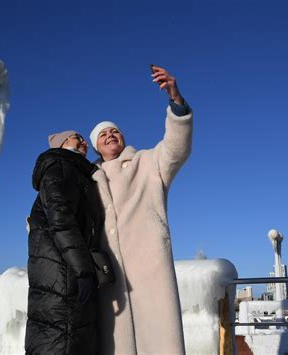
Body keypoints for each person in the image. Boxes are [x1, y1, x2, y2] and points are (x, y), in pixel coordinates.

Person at [89, 65, 193, 355]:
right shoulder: (88, 179)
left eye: (115, 131)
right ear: (96, 146)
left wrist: (176, 100)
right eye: (103, 134)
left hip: (151, 275)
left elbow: (176, 148)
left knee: (160, 344)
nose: (110, 135)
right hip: (109, 282)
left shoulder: (148, 162)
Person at [25, 130, 104, 355]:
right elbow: (61, 220)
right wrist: (84, 272)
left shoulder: (72, 170)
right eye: (75, 137)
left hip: (60, 271)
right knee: (63, 341)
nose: (83, 141)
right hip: (64, 275)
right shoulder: (61, 166)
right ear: (61, 144)